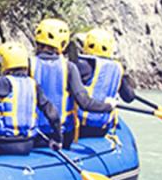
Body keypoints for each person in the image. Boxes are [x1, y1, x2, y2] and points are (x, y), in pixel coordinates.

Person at [32, 17, 115, 145]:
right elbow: (85, 103)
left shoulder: (27, 65)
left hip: (33, 135)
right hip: (61, 135)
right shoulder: (69, 68)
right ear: (63, 42)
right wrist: (108, 106)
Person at [0, 43, 61, 156]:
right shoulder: (33, 84)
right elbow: (53, 114)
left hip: (3, 144)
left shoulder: (1, 83)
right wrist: (57, 139)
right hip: (27, 144)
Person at [74, 26, 139, 137]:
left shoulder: (81, 65)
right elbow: (129, 97)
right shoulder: (117, 69)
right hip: (101, 128)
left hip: (78, 127)